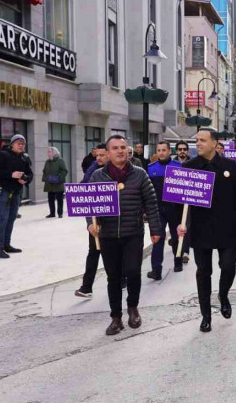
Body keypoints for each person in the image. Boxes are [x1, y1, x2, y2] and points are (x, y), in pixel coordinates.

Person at [87, 135, 162, 335]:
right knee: (113, 277)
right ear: (108, 152)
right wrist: (90, 225)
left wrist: (155, 230)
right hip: (108, 235)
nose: (120, 151)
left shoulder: (139, 174)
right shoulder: (97, 176)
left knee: (133, 272)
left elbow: (151, 204)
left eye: (123, 147)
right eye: (115, 148)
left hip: (133, 233)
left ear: (128, 151)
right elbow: (89, 205)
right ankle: (116, 317)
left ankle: (133, 308)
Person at [176, 128, 236, 333]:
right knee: (203, 272)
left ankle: (223, 295)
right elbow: (179, 201)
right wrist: (181, 223)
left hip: (226, 228)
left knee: (228, 266)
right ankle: (206, 315)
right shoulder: (189, 167)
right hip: (200, 229)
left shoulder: (229, 166)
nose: (198, 144)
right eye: (197, 140)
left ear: (214, 143)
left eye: (203, 140)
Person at [0, 134, 33, 259]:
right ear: (12, 144)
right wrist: (11, 174)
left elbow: (30, 174)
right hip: (2, 191)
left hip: (16, 191)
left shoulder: (25, 157)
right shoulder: (2, 155)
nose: (21, 145)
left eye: (23, 143)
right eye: (18, 143)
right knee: (4, 218)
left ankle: (6, 244)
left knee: (12, 218)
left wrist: (26, 179)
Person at [75, 147, 110, 298]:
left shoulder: (118, 171)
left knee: (111, 255)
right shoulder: (92, 172)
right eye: (97, 155)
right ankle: (86, 287)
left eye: (102, 155)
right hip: (97, 219)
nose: (99, 158)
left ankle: (120, 281)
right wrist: (90, 223)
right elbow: (86, 197)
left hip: (115, 221)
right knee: (93, 252)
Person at [146, 141, 183, 280]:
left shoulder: (178, 167)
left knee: (176, 237)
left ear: (169, 151)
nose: (161, 152)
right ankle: (156, 270)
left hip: (174, 209)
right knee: (158, 239)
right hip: (158, 209)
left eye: (163, 150)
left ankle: (178, 262)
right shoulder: (151, 168)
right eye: (159, 150)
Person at [42, 147, 69, 219]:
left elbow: (65, 171)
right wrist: (45, 178)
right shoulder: (47, 161)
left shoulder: (60, 161)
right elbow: (44, 171)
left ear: (54, 153)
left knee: (59, 199)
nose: (48, 153)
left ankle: (60, 213)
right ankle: (52, 213)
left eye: (49, 152)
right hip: (49, 184)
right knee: (50, 199)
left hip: (58, 184)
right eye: (48, 152)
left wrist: (59, 178)